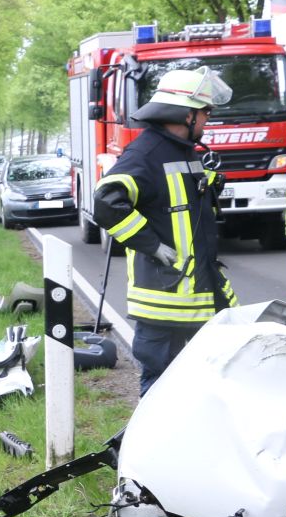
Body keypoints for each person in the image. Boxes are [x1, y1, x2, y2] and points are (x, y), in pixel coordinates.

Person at [94, 68, 239, 395]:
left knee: (202, 387)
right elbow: (106, 201)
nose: (208, 119)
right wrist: (152, 245)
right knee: (161, 389)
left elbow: (172, 199)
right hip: (164, 301)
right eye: (205, 112)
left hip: (193, 295)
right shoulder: (145, 153)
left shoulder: (182, 149)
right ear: (187, 115)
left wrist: (209, 184)